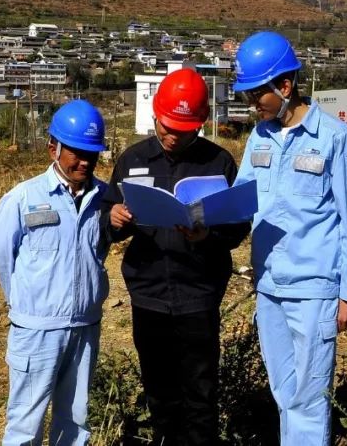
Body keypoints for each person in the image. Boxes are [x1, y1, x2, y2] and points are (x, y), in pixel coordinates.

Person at [232, 31, 347, 446]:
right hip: (270, 285)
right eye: (248, 95)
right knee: (283, 392)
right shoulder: (259, 136)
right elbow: (242, 196)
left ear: (285, 86)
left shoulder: (333, 137)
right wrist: (206, 217)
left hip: (314, 289)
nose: (253, 104)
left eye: (258, 94)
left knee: (309, 398)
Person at [101, 68, 248, 446]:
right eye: (166, 127)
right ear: (155, 116)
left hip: (198, 295)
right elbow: (109, 220)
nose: (171, 136)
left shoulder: (218, 163)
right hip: (148, 294)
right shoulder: (132, 160)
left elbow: (236, 227)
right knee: (159, 391)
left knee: (200, 393)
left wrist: (207, 235)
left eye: (182, 131)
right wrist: (115, 219)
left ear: (199, 126)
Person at [0, 99, 109, 446]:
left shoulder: (103, 197)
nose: (85, 160)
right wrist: (29, 305)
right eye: (76, 151)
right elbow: (2, 256)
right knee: (25, 426)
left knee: (75, 424)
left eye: (93, 153)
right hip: (37, 331)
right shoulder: (22, 199)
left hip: (84, 328)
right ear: (53, 149)